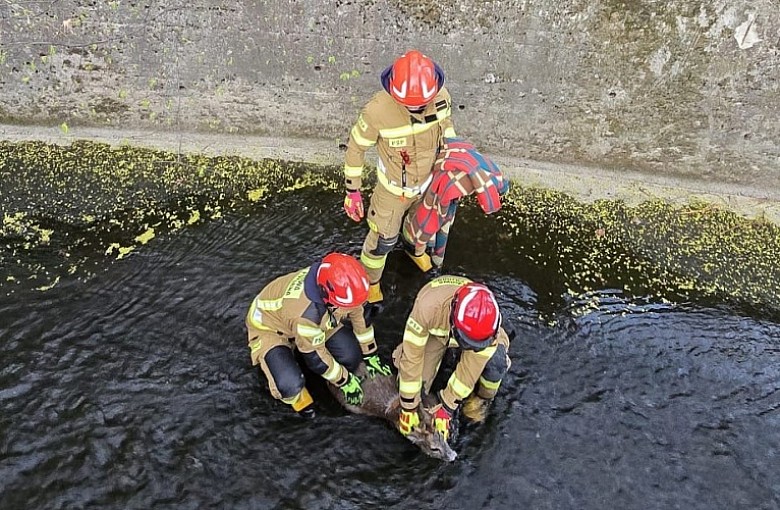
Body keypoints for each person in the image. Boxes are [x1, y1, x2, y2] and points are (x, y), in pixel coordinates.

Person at [342, 49, 457, 304]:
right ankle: (371, 283)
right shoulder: (377, 111)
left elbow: (446, 125)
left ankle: (414, 250)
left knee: (422, 227)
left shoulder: (442, 97)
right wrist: (353, 191)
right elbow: (356, 147)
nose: (416, 107)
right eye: (409, 104)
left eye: (421, 103)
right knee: (381, 241)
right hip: (393, 192)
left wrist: (453, 147)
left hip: (428, 185)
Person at [244, 252, 392, 417]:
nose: (353, 308)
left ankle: (308, 357)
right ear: (330, 299)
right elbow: (315, 358)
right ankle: (294, 396)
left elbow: (358, 316)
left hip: (315, 318)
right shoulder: (306, 316)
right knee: (289, 384)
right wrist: (345, 381)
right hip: (270, 328)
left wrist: (371, 353)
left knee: (351, 356)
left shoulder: (338, 283)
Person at [393, 276, 512, 441]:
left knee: (496, 362)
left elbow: (469, 372)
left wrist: (447, 407)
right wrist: (408, 407)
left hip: (465, 334)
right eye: (465, 342)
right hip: (437, 333)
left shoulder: (489, 328)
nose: (467, 346)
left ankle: (482, 399)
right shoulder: (427, 308)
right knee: (412, 387)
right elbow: (412, 357)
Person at [402, 137, 509, 268]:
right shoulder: (447, 186)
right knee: (429, 223)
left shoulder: (477, 168)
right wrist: (419, 252)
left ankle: (433, 255)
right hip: (425, 198)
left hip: (435, 174)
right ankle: (419, 249)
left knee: (440, 219)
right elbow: (428, 220)